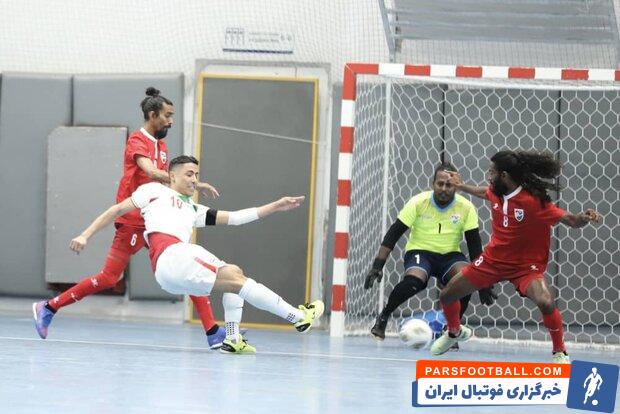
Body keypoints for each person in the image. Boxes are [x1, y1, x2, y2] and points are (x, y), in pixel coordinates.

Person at [68, 155, 324, 354]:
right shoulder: (154, 191)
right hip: (172, 255)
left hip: (173, 267)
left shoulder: (194, 209)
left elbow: (236, 218)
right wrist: (85, 235)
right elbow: (115, 211)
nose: (194, 180)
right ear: (172, 176)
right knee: (236, 280)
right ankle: (298, 317)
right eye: (189, 174)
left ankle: (232, 339)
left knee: (234, 273)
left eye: (197, 175)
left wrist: (276, 206)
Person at [33, 87, 226, 348]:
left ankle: (213, 332)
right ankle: (49, 307)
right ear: (152, 115)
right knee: (109, 278)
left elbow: (166, 183)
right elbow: (151, 172)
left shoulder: (162, 145)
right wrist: (194, 183)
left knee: (184, 267)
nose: (171, 121)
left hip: (155, 220)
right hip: (132, 221)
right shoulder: (137, 140)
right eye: (167, 115)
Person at [430, 150, 602, 363]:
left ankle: (560, 351)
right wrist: (462, 186)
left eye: (492, 172)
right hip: (492, 262)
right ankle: (454, 332)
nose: (489, 176)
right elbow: (484, 192)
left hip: (525, 267)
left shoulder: (534, 202)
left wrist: (584, 217)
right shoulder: (496, 191)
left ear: (504, 175)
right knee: (447, 295)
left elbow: (572, 221)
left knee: (546, 302)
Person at [364, 162, 496, 347]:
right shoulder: (418, 202)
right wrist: (378, 266)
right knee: (414, 281)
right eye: (440, 184)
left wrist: (481, 282)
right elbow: (393, 234)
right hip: (420, 251)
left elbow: (474, 246)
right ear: (433, 184)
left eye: (449, 185)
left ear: (456, 186)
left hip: (450, 256)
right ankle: (384, 316)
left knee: (465, 281)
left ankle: (451, 331)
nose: (444, 188)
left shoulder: (466, 207)